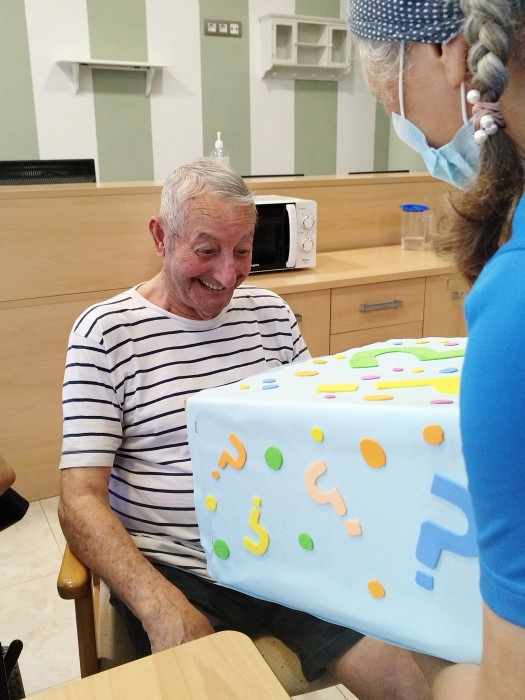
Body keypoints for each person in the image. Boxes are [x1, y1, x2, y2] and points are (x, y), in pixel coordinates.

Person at [58, 157, 430, 700]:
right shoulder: (106, 334)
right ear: (161, 237)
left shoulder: (270, 315)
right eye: (207, 250)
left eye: (242, 251)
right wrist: (159, 605)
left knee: (406, 684)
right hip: (179, 568)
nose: (228, 274)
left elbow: (316, 433)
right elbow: (79, 497)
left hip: (288, 550)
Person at [348, 0, 525, 697]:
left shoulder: (513, 308)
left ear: (450, 52)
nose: (415, 137)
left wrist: (427, 663)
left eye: (396, 107)